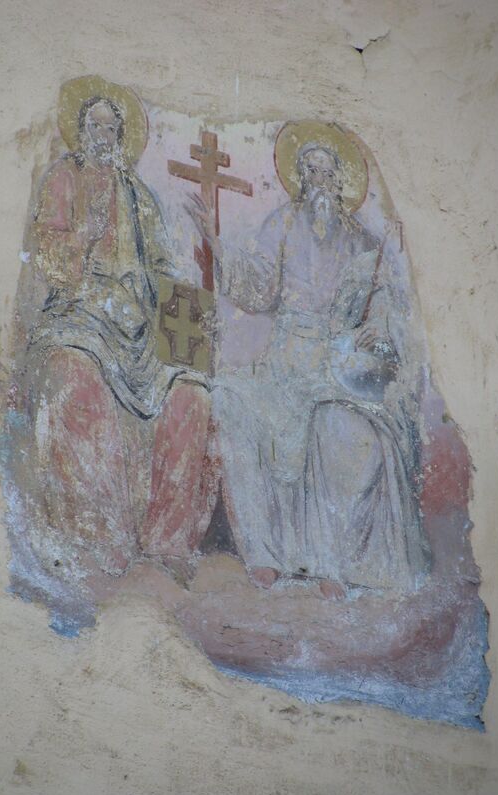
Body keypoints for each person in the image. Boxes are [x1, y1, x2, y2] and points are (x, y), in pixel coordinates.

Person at [191, 138, 431, 598]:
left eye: (327, 173)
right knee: (230, 403)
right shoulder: (282, 223)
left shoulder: (363, 241)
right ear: (300, 178)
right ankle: (265, 553)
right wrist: (218, 246)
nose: (318, 181)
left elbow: (383, 297)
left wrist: (377, 324)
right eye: (311, 171)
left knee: (335, 424)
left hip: (335, 367)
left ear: (341, 182)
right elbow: (259, 286)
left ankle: (330, 562)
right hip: (283, 364)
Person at [15, 86, 212, 587]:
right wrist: (87, 233)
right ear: (80, 132)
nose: (102, 136)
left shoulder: (138, 194)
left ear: (122, 137)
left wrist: (190, 314)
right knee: (75, 376)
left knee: (191, 395)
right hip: (80, 310)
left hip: (138, 324)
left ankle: (167, 543)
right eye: (94, 126)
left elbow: (162, 268)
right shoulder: (65, 178)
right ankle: (98, 536)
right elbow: (48, 253)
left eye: (110, 128)